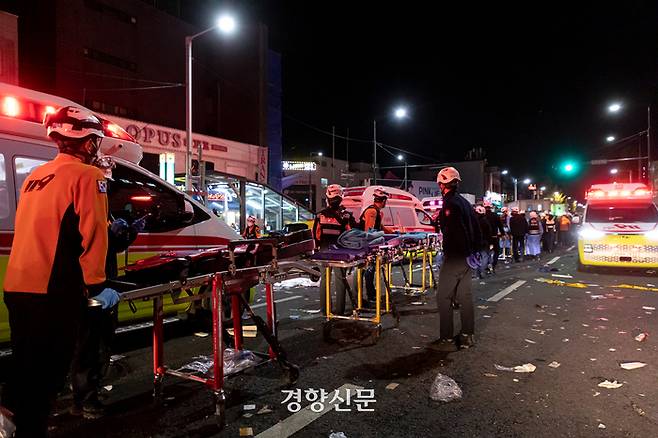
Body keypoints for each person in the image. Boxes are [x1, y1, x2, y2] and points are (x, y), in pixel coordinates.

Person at [3, 106, 120, 437]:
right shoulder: (89, 177)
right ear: (85, 143)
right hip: (52, 292)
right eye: (96, 140)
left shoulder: (36, 177)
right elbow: (94, 234)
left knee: (24, 367)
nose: (97, 147)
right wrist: (97, 286)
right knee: (47, 377)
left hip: (18, 287)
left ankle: (10, 422)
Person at [71, 216, 144, 418]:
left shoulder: (102, 214)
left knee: (96, 344)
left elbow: (110, 247)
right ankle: (85, 399)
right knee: (91, 345)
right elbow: (89, 246)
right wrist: (112, 235)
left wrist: (129, 234)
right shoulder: (86, 213)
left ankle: (85, 395)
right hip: (93, 289)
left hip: (102, 285)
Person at [433, 167, 480, 351]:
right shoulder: (464, 203)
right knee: (465, 297)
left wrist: (456, 254)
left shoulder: (450, 204)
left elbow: (455, 232)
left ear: (441, 184)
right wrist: (473, 252)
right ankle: (468, 336)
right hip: (468, 257)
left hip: (455, 257)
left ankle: (446, 339)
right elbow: (475, 228)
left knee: (443, 297)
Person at [312, 184, 356, 315]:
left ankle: (325, 310)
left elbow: (316, 235)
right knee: (340, 279)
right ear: (341, 198)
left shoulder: (320, 215)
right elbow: (350, 234)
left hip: (324, 251)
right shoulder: (345, 216)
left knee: (325, 279)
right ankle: (340, 311)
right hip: (339, 252)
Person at [359, 187, 394, 306]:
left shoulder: (376, 211)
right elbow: (369, 231)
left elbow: (380, 227)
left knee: (371, 270)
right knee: (368, 271)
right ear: (383, 200)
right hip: (368, 246)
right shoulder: (372, 212)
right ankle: (369, 295)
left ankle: (370, 294)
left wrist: (392, 232)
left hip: (371, 245)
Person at [484, 202, 504, 273]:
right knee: (496, 251)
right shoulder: (495, 215)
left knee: (486, 252)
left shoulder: (482, 216)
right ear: (491, 207)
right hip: (494, 236)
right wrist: (503, 234)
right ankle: (493, 264)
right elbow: (500, 226)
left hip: (485, 238)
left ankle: (486, 266)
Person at [474, 205, 492, 279]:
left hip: (475, 241)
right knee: (484, 256)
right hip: (484, 241)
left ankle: (477, 273)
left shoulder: (473, 220)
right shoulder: (485, 221)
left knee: (476, 258)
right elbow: (489, 232)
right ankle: (482, 271)